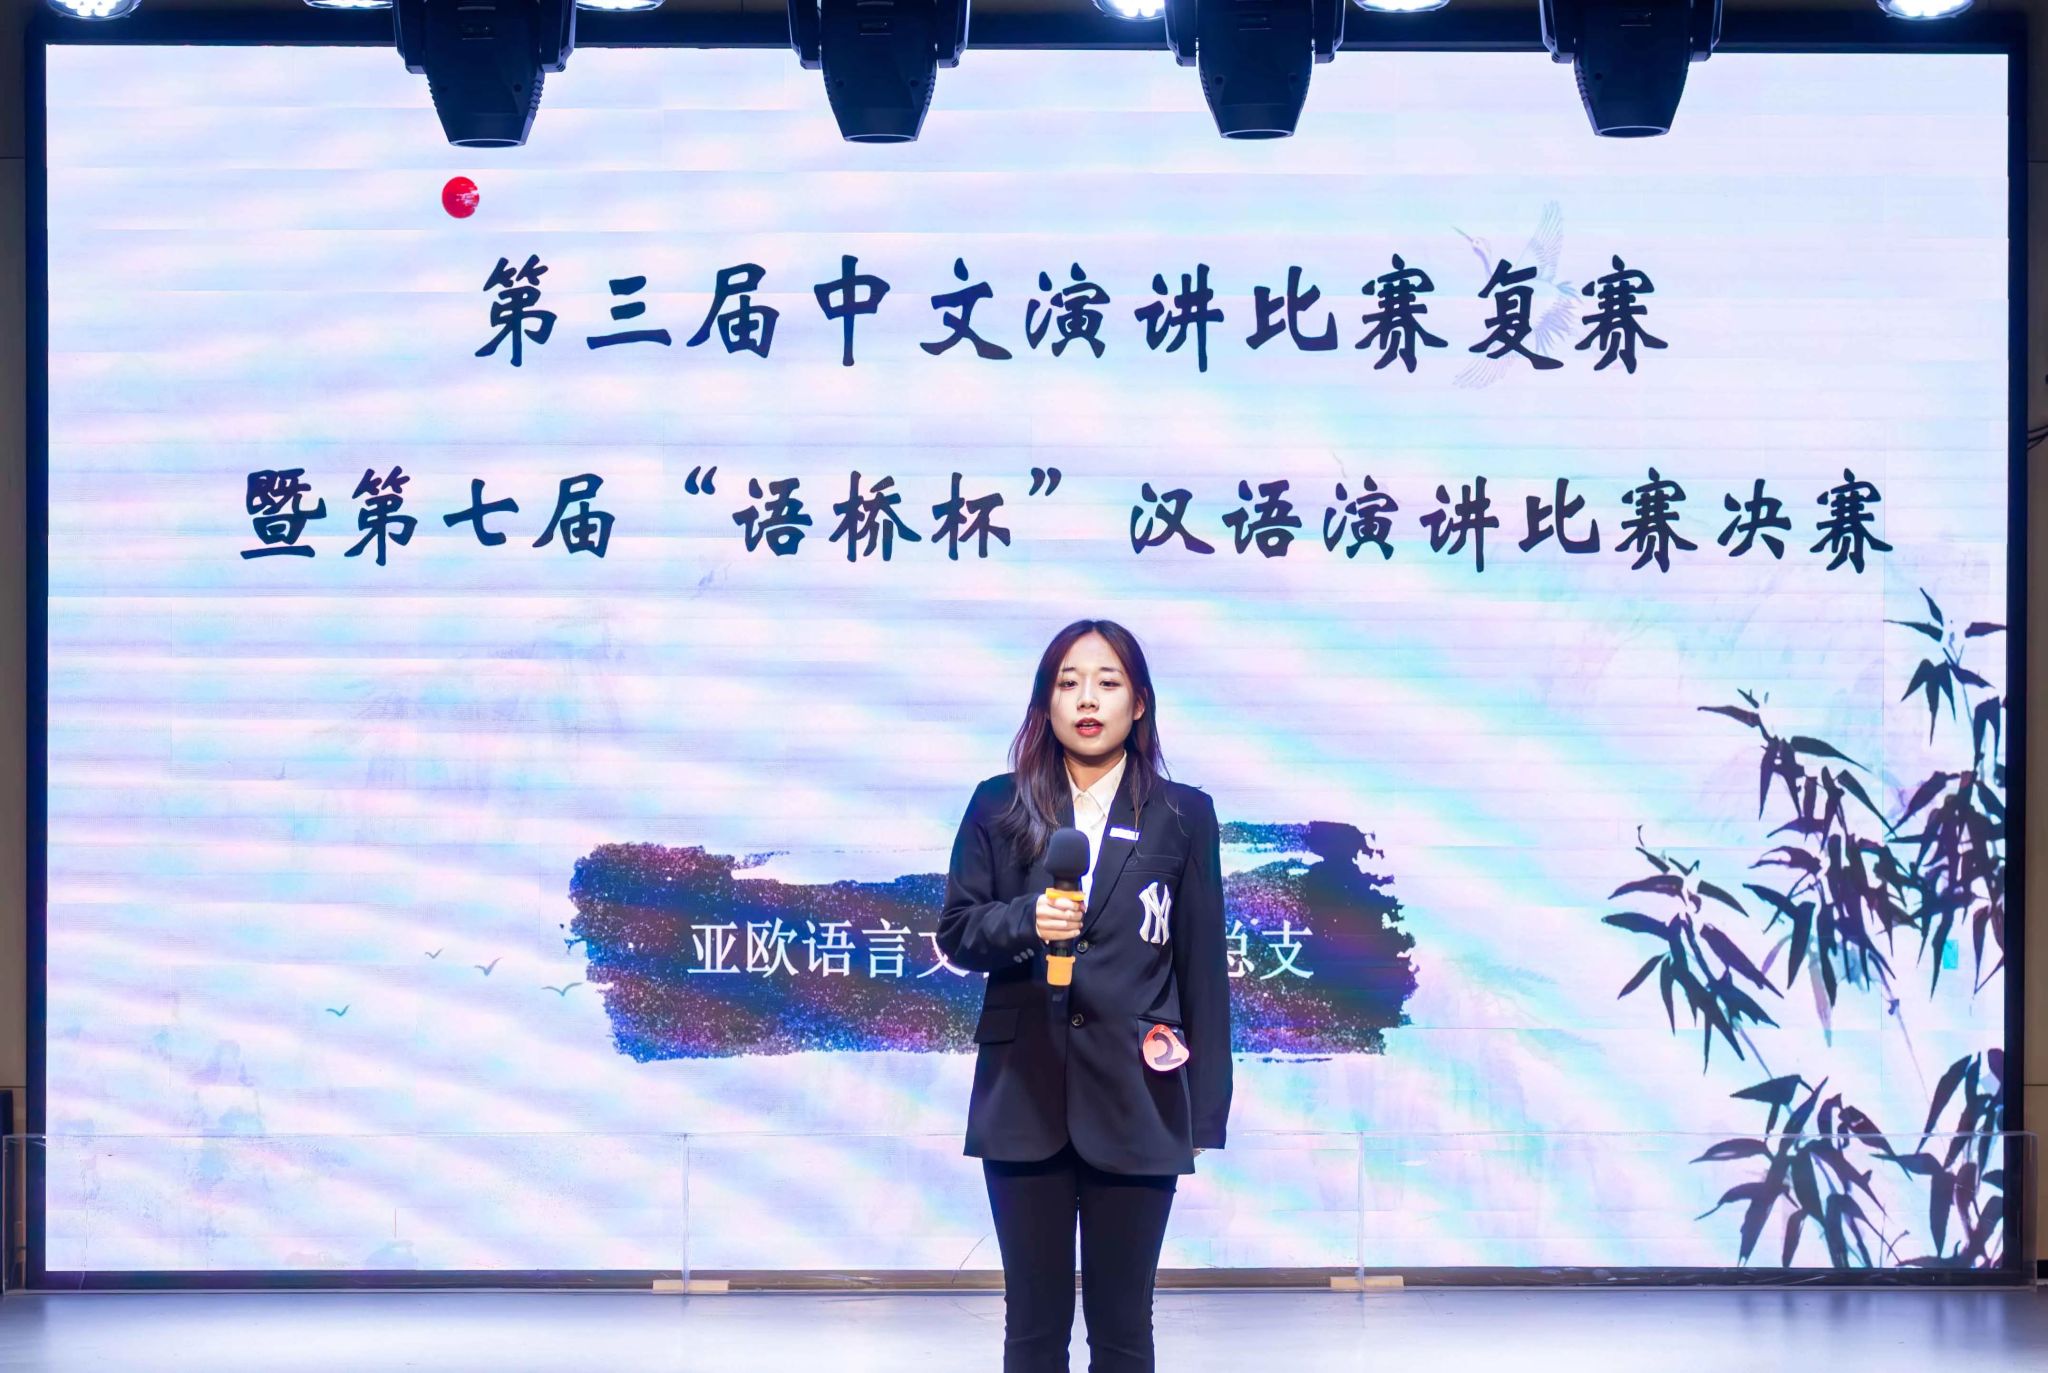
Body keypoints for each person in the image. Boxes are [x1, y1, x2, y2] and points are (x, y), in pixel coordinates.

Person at [937, 618, 1233, 1373]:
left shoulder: (1183, 813)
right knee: (1033, 1330)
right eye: (1068, 683)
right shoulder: (998, 804)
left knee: (1124, 1328)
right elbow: (958, 933)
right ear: (1046, 702)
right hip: (1022, 1093)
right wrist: (1026, 919)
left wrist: (1205, 1108)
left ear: (1140, 702)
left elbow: (1202, 966)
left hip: (1140, 1096)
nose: (1088, 699)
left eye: (1107, 682)